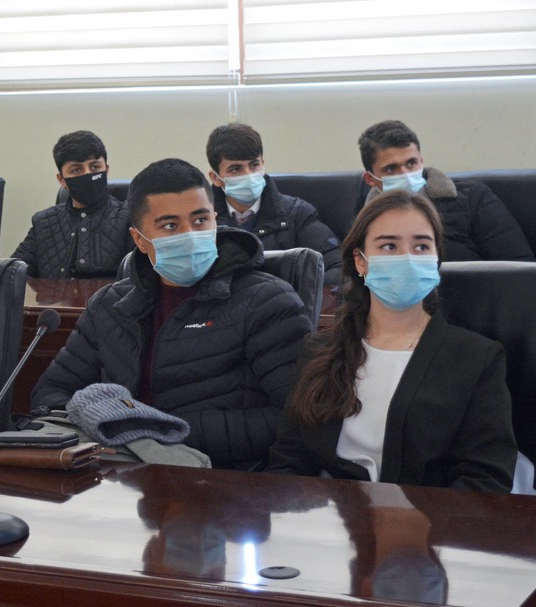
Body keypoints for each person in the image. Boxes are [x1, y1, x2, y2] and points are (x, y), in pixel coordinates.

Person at [31, 158, 312, 470]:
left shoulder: (267, 301)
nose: (189, 234)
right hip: (121, 474)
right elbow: (50, 395)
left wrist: (162, 429)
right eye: (170, 226)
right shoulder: (108, 306)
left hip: (226, 477)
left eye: (200, 220)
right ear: (139, 239)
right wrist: (112, 421)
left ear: (216, 219)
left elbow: (298, 418)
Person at [266, 190, 517, 492]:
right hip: (330, 514)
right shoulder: (319, 351)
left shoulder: (476, 357)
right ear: (360, 261)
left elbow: (485, 479)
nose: (407, 258)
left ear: (436, 259)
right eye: (389, 246)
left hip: (430, 517)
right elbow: (288, 461)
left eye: (421, 246)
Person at [357, 119, 533, 262]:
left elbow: (518, 266)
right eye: (391, 169)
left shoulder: (471, 197)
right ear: (370, 179)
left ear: (421, 161)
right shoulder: (364, 218)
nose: (405, 174)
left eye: (411, 163)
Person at [206, 123, 343, 285]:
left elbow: (338, 266)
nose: (248, 175)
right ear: (215, 178)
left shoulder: (297, 213)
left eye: (254, 165)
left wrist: (300, 293)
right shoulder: (202, 222)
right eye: (235, 169)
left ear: (263, 164)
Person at [12, 130, 134, 278]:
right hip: (54, 294)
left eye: (95, 167)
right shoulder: (43, 223)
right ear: (62, 180)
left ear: (106, 170)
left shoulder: (129, 217)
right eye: (76, 170)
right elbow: (12, 274)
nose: (87, 174)